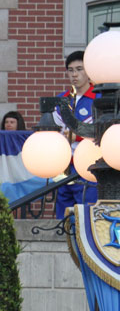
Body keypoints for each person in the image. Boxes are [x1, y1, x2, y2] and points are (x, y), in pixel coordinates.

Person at [54, 50, 98, 219]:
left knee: (87, 214)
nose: (75, 74)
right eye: (71, 70)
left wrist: (75, 136)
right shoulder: (61, 99)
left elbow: (103, 131)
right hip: (63, 164)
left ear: (88, 71)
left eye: (79, 69)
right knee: (63, 215)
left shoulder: (99, 98)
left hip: (89, 164)